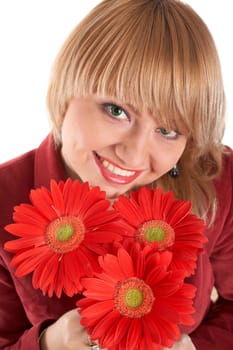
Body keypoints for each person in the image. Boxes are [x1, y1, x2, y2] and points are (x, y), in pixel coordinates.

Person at [0, 0, 232, 349]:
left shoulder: (218, 181)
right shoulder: (5, 197)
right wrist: (47, 343)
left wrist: (196, 348)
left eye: (168, 130)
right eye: (116, 110)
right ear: (67, 88)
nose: (134, 154)